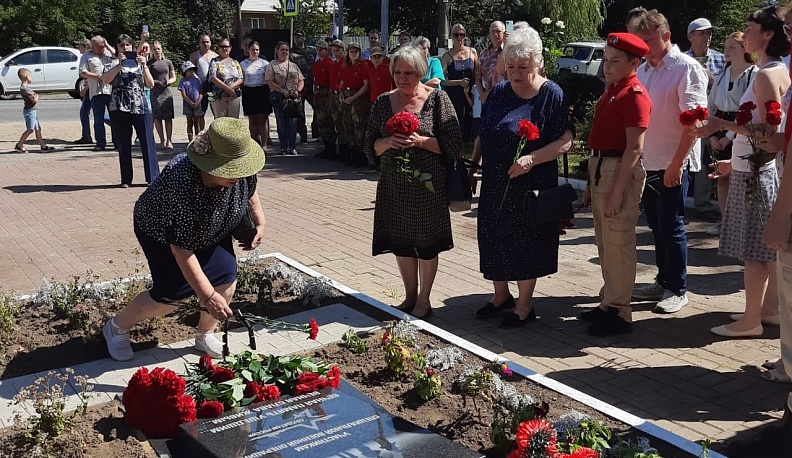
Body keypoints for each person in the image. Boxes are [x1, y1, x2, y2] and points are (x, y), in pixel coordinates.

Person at [102, 117, 266, 361]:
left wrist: (260, 221)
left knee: (225, 279)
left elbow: (250, 192)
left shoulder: (243, 170)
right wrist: (207, 297)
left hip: (213, 225)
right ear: (209, 164)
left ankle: (204, 334)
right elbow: (181, 249)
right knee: (171, 297)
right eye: (231, 170)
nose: (238, 177)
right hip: (161, 231)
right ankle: (116, 327)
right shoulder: (183, 181)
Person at [694, 5, 789, 338]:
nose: (745, 34)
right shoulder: (776, 70)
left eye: (750, 29)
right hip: (754, 166)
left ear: (768, 34)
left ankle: (751, 320)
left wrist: (720, 124)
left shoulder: (764, 75)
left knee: (753, 251)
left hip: (755, 170)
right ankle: (767, 309)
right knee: (765, 250)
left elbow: (771, 135)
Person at [468, 28, 573, 328]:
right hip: (495, 182)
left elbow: (566, 140)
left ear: (538, 64)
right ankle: (500, 295)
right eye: (510, 66)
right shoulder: (500, 92)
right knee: (492, 236)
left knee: (527, 242)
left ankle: (525, 306)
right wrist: (473, 166)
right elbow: (484, 133)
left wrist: (531, 159)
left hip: (531, 184)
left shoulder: (551, 94)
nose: (515, 73)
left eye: (522, 68)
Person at [364, 45, 462, 320]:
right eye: (398, 72)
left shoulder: (437, 100)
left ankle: (424, 300)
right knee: (402, 242)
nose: (403, 78)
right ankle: (409, 296)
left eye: (409, 72)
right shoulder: (384, 101)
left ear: (420, 72)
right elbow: (369, 146)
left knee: (427, 244)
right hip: (394, 187)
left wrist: (420, 141)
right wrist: (387, 142)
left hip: (427, 188)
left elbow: (454, 146)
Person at [627, 8, 708, 313]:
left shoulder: (685, 68)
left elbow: (694, 122)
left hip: (673, 162)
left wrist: (677, 164)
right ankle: (663, 281)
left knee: (672, 226)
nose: (644, 47)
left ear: (666, 36)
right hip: (648, 161)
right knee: (657, 226)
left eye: (649, 40)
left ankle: (678, 288)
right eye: (640, 41)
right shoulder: (645, 68)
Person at [579, 33, 652, 336]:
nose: (607, 67)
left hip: (617, 170)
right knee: (605, 242)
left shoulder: (634, 94)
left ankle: (621, 312)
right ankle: (609, 302)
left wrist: (618, 191)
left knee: (618, 243)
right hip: (601, 168)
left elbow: (634, 148)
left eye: (615, 62)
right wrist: (588, 183)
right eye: (605, 60)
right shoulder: (612, 91)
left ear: (634, 63)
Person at [704, 32, 757, 237]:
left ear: (744, 49)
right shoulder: (723, 74)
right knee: (721, 177)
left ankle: (740, 224)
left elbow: (750, 113)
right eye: (725, 47)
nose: (726, 51)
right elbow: (711, 104)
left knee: (739, 176)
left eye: (732, 47)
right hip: (718, 125)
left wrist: (728, 136)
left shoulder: (753, 74)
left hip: (738, 129)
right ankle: (726, 222)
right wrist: (711, 134)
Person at [102, 34, 159, 187]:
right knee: (123, 143)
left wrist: (145, 66)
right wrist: (119, 65)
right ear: (117, 48)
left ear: (133, 47)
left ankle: (153, 178)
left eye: (128, 45)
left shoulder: (140, 61)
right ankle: (126, 179)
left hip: (140, 105)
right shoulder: (112, 61)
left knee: (147, 142)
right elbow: (106, 80)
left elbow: (150, 84)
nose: (125, 48)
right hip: (119, 106)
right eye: (121, 45)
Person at [686, 18, 728, 218]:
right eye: (702, 33)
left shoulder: (721, 59)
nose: (707, 37)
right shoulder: (682, 60)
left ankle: (703, 205)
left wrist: (711, 79)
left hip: (712, 118)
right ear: (690, 36)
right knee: (685, 159)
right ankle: (685, 201)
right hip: (687, 117)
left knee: (706, 161)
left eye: (709, 33)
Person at [441, 23, 479, 144]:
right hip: (454, 95)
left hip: (470, 93)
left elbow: (477, 74)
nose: (459, 38)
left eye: (462, 34)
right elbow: (442, 81)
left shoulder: (472, 52)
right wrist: (459, 82)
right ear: (452, 37)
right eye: (456, 35)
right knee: (457, 124)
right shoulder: (446, 56)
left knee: (471, 122)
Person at [266, 41, 305, 155]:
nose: (284, 52)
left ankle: (292, 146)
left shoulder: (293, 65)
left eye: (286, 50)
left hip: (293, 99)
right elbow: (270, 81)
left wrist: (298, 91)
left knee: (292, 124)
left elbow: (301, 80)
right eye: (282, 49)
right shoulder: (272, 65)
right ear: (277, 51)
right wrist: (282, 91)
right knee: (281, 123)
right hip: (279, 98)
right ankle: (283, 147)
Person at [81, 36, 115, 152]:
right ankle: (100, 143)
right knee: (98, 119)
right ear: (93, 46)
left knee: (115, 117)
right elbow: (82, 72)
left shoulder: (109, 53)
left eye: (102, 46)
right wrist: (97, 77)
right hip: (96, 91)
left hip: (111, 90)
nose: (101, 49)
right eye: (98, 47)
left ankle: (117, 142)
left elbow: (119, 57)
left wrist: (107, 45)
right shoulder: (87, 55)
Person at [339, 42, 371, 167]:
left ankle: (361, 156)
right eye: (351, 51)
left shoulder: (362, 65)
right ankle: (352, 154)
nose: (353, 54)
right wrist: (342, 94)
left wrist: (352, 98)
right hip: (346, 96)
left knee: (359, 127)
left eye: (356, 52)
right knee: (348, 125)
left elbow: (365, 86)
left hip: (358, 97)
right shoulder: (346, 66)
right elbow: (342, 82)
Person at [13, 68, 55, 153]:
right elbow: (34, 99)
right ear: (27, 77)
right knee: (30, 129)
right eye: (31, 76)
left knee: (38, 129)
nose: (32, 78)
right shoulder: (25, 89)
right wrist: (37, 96)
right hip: (30, 111)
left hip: (33, 111)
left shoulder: (25, 88)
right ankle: (19, 145)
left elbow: (33, 96)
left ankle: (43, 146)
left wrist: (35, 95)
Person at [240, 40, 272, 147]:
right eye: (253, 49)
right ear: (248, 50)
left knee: (263, 119)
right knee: (252, 120)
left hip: (263, 91)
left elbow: (270, 79)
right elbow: (240, 79)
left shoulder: (265, 64)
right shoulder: (242, 64)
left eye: (257, 50)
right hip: (249, 91)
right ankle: (254, 145)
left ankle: (264, 144)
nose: (255, 51)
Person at [148, 41, 176, 150]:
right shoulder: (150, 63)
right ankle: (162, 140)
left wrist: (168, 82)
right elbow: (147, 79)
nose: (156, 51)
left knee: (168, 117)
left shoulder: (168, 62)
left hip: (167, 91)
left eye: (158, 48)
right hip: (155, 91)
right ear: (152, 51)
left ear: (161, 49)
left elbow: (173, 76)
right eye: (154, 49)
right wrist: (156, 82)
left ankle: (169, 140)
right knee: (157, 117)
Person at [291, 30, 317, 143]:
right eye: (295, 37)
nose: (297, 39)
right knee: (299, 112)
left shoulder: (312, 51)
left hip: (311, 85)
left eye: (299, 37)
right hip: (299, 86)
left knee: (318, 108)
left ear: (304, 38)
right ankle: (303, 135)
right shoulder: (291, 53)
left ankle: (316, 131)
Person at [208, 38, 244, 119]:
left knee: (233, 122)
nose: (224, 48)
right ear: (219, 48)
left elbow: (241, 78)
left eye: (226, 46)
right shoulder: (214, 62)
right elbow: (213, 77)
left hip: (234, 95)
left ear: (230, 48)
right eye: (222, 46)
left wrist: (230, 89)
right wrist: (227, 89)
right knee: (220, 122)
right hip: (219, 96)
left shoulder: (235, 62)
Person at [313, 40, 337, 158]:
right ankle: (326, 147)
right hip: (318, 93)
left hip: (326, 92)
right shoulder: (317, 63)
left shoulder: (329, 63)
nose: (319, 51)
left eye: (321, 49)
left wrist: (329, 99)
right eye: (317, 48)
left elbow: (331, 83)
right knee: (321, 121)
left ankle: (331, 148)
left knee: (328, 121)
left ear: (326, 50)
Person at [476, 21, 506, 107]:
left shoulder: (508, 52)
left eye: (498, 31)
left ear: (504, 33)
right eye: (493, 31)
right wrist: (482, 94)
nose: (495, 34)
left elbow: (506, 76)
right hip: (486, 100)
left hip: (502, 97)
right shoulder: (484, 53)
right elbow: (478, 78)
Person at [328, 40, 347, 161]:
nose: (335, 53)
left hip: (344, 94)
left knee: (345, 123)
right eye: (333, 51)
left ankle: (347, 151)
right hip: (334, 95)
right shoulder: (333, 64)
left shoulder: (346, 64)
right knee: (337, 122)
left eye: (338, 50)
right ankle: (341, 149)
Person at [190, 34, 219, 114]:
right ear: (199, 43)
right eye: (203, 42)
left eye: (207, 42)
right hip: (200, 86)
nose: (205, 44)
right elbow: (191, 71)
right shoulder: (194, 56)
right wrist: (199, 81)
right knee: (201, 112)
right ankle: (201, 127)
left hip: (213, 86)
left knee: (216, 111)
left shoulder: (216, 56)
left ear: (210, 43)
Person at [74, 38, 93, 145]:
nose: (78, 48)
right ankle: (86, 135)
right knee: (86, 112)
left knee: (85, 112)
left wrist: (85, 90)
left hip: (91, 88)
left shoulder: (87, 57)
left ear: (85, 46)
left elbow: (90, 75)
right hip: (90, 87)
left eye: (80, 45)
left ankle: (86, 136)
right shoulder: (86, 56)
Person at [178, 61, 204, 141]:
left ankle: (197, 140)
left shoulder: (197, 80)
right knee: (189, 122)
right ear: (185, 71)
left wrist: (198, 102)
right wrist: (191, 103)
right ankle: (190, 140)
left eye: (193, 70)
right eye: (190, 70)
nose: (192, 72)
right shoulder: (183, 81)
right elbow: (184, 95)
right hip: (187, 104)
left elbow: (201, 92)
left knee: (197, 122)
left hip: (197, 103)